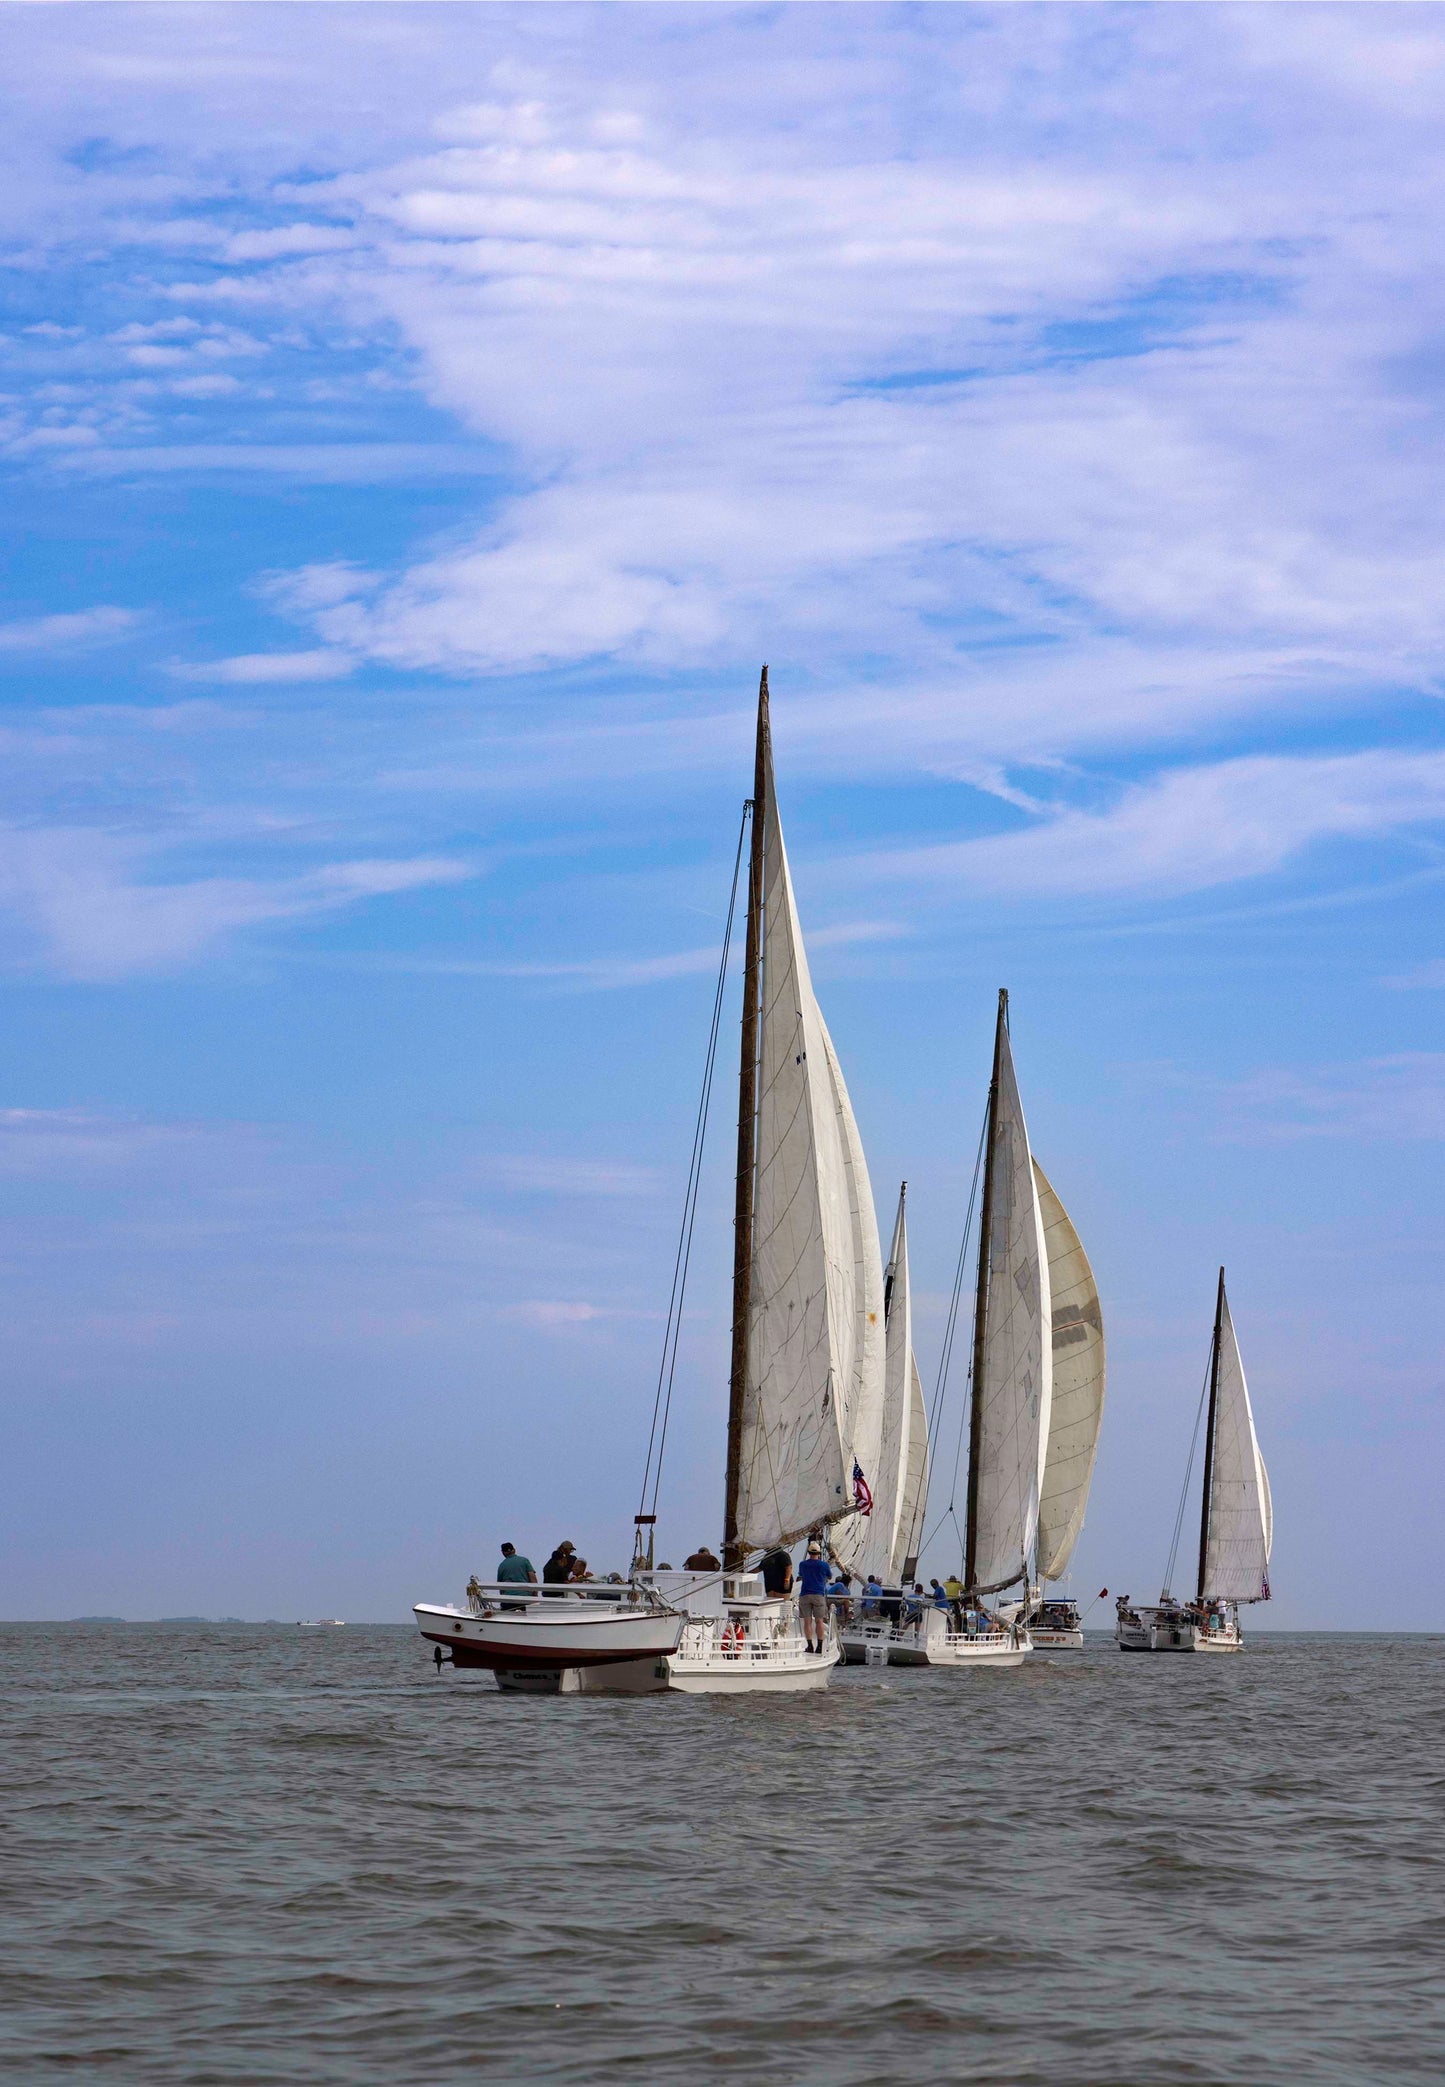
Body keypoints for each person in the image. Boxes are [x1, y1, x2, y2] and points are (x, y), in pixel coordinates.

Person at [796, 1540, 832, 1653]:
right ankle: (820, 1646)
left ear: (808, 1552)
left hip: (805, 1594)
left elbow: (801, 1575)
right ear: (819, 1553)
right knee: (819, 1621)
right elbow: (829, 1576)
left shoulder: (803, 1564)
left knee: (807, 1622)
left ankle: (810, 1645)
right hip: (818, 1594)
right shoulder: (824, 1565)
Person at [496, 1542, 535, 1613]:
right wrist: (535, 1595)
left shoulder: (501, 1566)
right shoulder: (524, 1561)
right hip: (525, 1598)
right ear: (514, 1550)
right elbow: (533, 1579)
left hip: (507, 1600)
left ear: (503, 1552)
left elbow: (501, 1588)